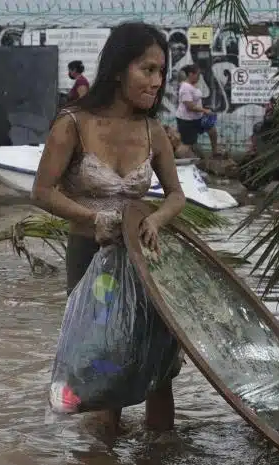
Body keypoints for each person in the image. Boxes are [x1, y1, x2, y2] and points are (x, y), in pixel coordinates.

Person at [30, 22, 186, 434]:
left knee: (158, 372)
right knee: (102, 369)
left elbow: (176, 196)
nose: (156, 81)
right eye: (147, 70)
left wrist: (154, 219)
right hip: (91, 263)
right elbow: (42, 192)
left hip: (147, 264)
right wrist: (93, 218)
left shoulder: (154, 132)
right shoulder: (73, 124)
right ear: (118, 69)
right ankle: (100, 452)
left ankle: (159, 454)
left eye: (160, 72)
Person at [175, 64, 219, 158]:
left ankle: (215, 152)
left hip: (198, 118)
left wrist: (204, 108)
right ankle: (175, 160)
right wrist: (205, 110)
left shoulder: (192, 85)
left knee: (212, 130)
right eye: (198, 75)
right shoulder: (185, 88)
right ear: (191, 74)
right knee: (187, 144)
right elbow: (189, 106)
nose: (199, 77)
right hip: (187, 120)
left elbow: (196, 99)